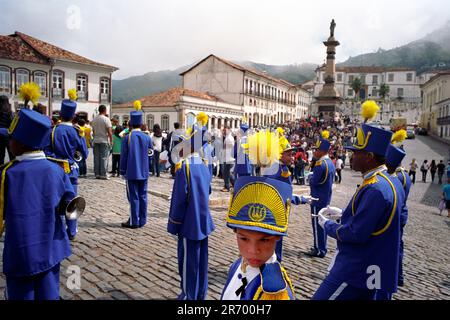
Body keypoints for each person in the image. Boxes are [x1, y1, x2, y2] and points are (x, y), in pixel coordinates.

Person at [312, 101, 403, 300]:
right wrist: (345, 214)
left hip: (356, 268)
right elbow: (372, 220)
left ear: (369, 156)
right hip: (373, 267)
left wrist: (327, 225)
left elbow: (356, 233)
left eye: (355, 153)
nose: (350, 157)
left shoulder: (375, 188)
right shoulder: (389, 181)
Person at [0, 108, 75, 300]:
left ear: (21, 144)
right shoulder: (57, 169)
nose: (9, 142)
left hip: (21, 254)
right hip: (51, 250)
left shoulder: (7, 174)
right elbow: (71, 205)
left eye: (11, 138)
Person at [221, 175, 295, 299]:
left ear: (277, 237)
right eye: (244, 239)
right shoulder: (237, 265)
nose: (253, 250)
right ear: (236, 232)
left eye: (264, 240)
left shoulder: (273, 291)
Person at [167, 113, 215, 300]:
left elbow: (179, 201)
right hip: (203, 221)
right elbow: (209, 189)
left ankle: (188, 297)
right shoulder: (202, 164)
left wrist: (174, 224)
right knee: (202, 262)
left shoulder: (184, 167)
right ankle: (200, 295)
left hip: (189, 223)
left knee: (188, 264)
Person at [45, 91, 88, 240]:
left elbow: (46, 151)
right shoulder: (77, 132)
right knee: (72, 201)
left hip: (55, 171)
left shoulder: (53, 130)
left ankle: (55, 230)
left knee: (55, 201)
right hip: (71, 171)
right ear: (73, 115)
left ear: (60, 115)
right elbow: (84, 154)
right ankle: (72, 231)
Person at [385, 129, 411, 288]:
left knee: (394, 248)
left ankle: (396, 275)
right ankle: (398, 275)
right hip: (401, 214)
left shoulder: (398, 177)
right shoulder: (405, 175)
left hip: (397, 215)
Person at [120, 105, 152, 228]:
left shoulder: (127, 138)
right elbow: (150, 154)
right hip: (144, 171)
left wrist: (122, 171)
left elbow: (124, 157)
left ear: (130, 124)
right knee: (143, 196)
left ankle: (134, 220)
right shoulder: (147, 137)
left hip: (131, 171)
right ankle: (142, 220)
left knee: (133, 196)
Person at [304, 130, 336, 258]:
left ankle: (319, 249)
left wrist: (310, 176)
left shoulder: (320, 164)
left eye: (317, 150)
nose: (315, 152)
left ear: (322, 151)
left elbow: (314, 181)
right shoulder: (329, 163)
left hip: (317, 198)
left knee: (317, 226)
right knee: (322, 224)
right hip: (325, 197)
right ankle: (322, 247)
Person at [91, 105, 112, 179]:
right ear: (105, 110)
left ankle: (97, 173)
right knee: (104, 157)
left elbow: (93, 131)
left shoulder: (94, 119)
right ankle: (103, 174)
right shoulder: (106, 119)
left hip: (96, 140)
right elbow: (109, 132)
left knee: (96, 157)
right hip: (104, 140)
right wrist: (111, 141)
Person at [220, 125, 235, 192]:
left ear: (229, 130)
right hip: (226, 157)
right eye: (224, 130)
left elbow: (230, 147)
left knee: (227, 173)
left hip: (229, 158)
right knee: (226, 172)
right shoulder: (227, 137)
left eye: (225, 130)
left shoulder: (230, 138)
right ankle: (228, 185)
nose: (224, 132)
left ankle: (229, 186)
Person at [0, 95, 14, 165]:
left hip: (0, 137)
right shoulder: (10, 113)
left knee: (0, 157)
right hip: (8, 137)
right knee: (12, 156)